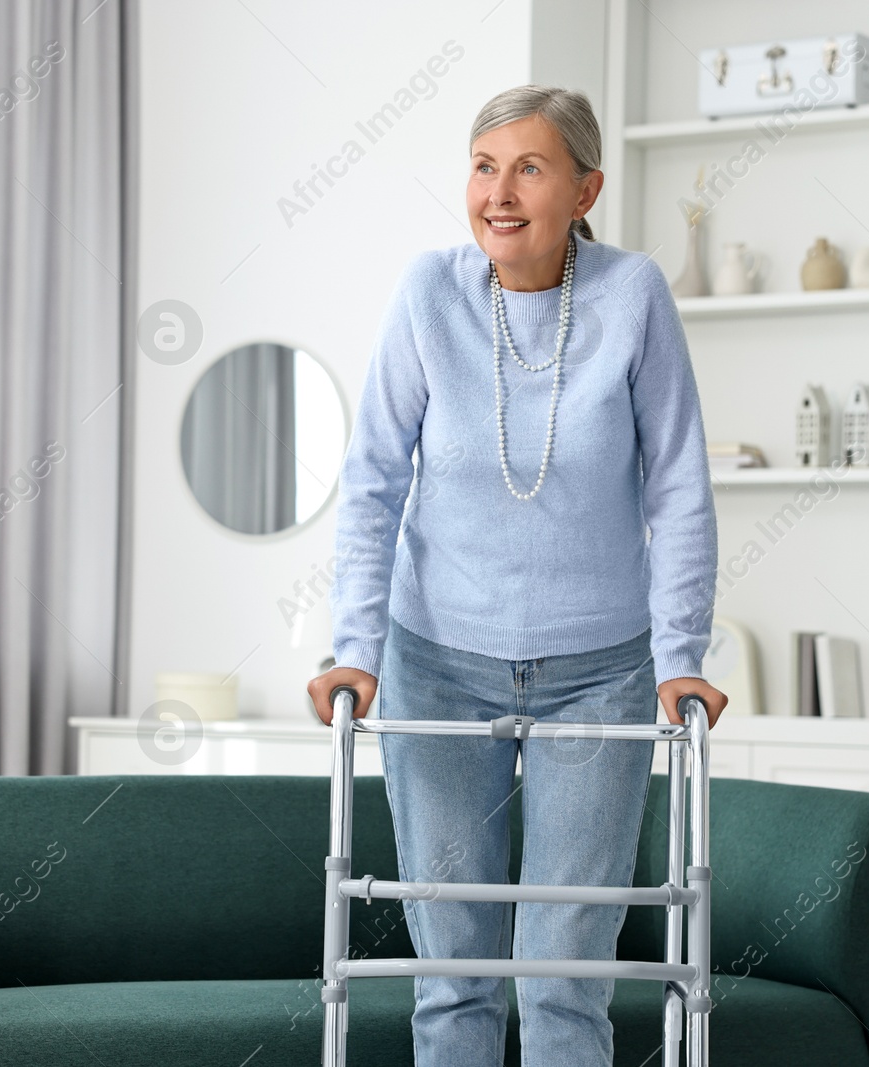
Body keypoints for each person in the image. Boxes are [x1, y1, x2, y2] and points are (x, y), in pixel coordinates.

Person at [306, 83, 726, 1067]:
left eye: (529, 167)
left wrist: (679, 655)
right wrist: (355, 648)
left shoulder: (632, 295)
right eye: (483, 166)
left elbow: (678, 483)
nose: (499, 192)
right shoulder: (428, 291)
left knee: (562, 975)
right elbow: (370, 478)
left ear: (585, 189)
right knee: (452, 975)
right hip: (436, 661)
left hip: (600, 668)